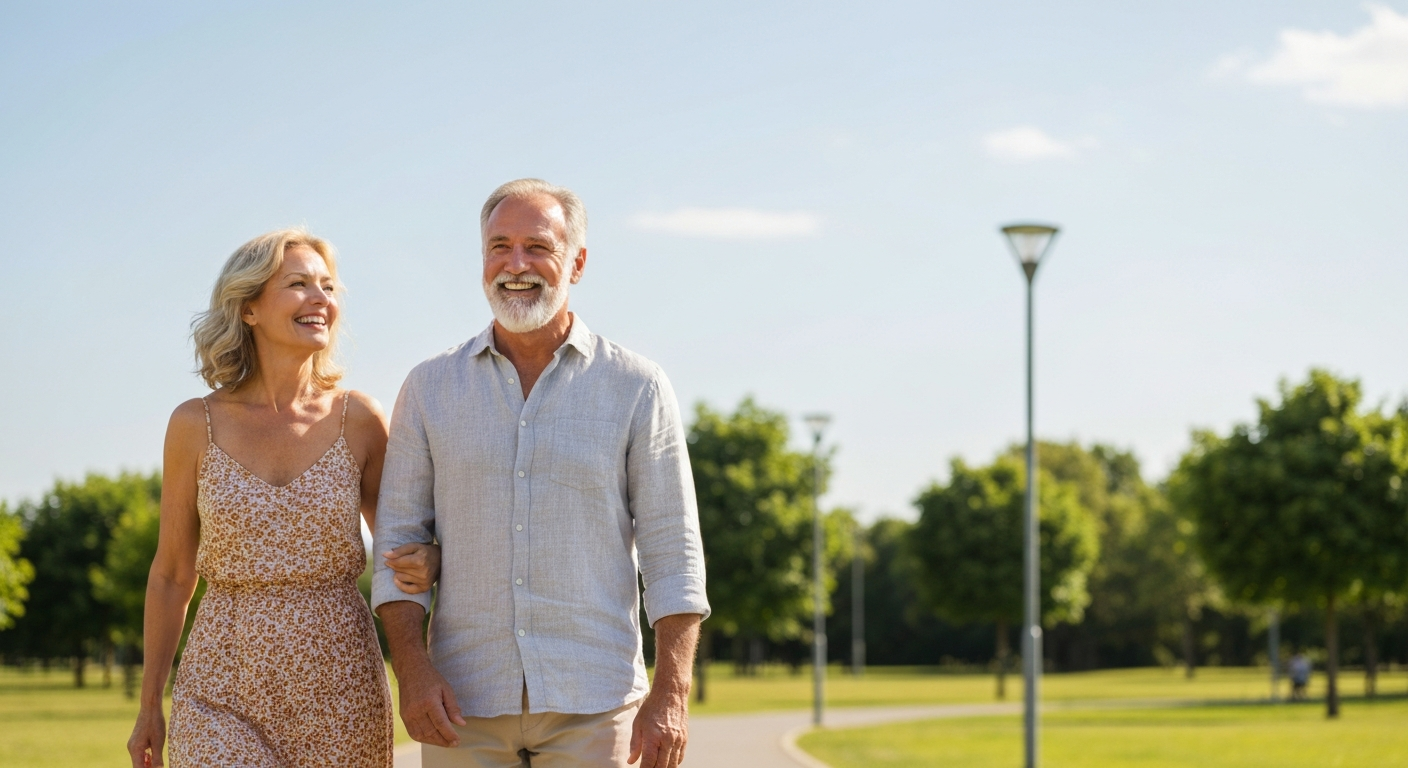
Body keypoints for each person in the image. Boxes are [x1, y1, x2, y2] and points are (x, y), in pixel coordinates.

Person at [373, 179, 710, 768]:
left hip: (597, 699)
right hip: (463, 703)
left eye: (538, 247)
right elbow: (396, 547)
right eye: (499, 246)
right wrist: (413, 669)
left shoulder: (637, 386)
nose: (516, 265)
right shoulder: (428, 387)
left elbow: (673, 552)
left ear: (576, 262)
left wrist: (671, 693)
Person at [127, 229, 439, 768]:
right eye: (298, 284)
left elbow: (403, 537)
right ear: (248, 308)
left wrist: (431, 557)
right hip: (219, 685)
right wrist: (150, 702)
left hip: (340, 684)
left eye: (329, 286)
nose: (321, 299)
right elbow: (172, 573)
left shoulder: (359, 420)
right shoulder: (192, 424)